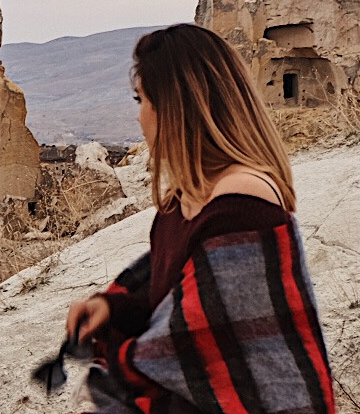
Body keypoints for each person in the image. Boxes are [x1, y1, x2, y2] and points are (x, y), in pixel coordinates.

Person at [61, 24, 337, 413]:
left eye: (142, 99)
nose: (139, 116)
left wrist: (118, 370)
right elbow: (170, 299)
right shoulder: (183, 202)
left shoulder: (242, 204)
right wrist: (113, 308)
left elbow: (193, 347)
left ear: (175, 107)